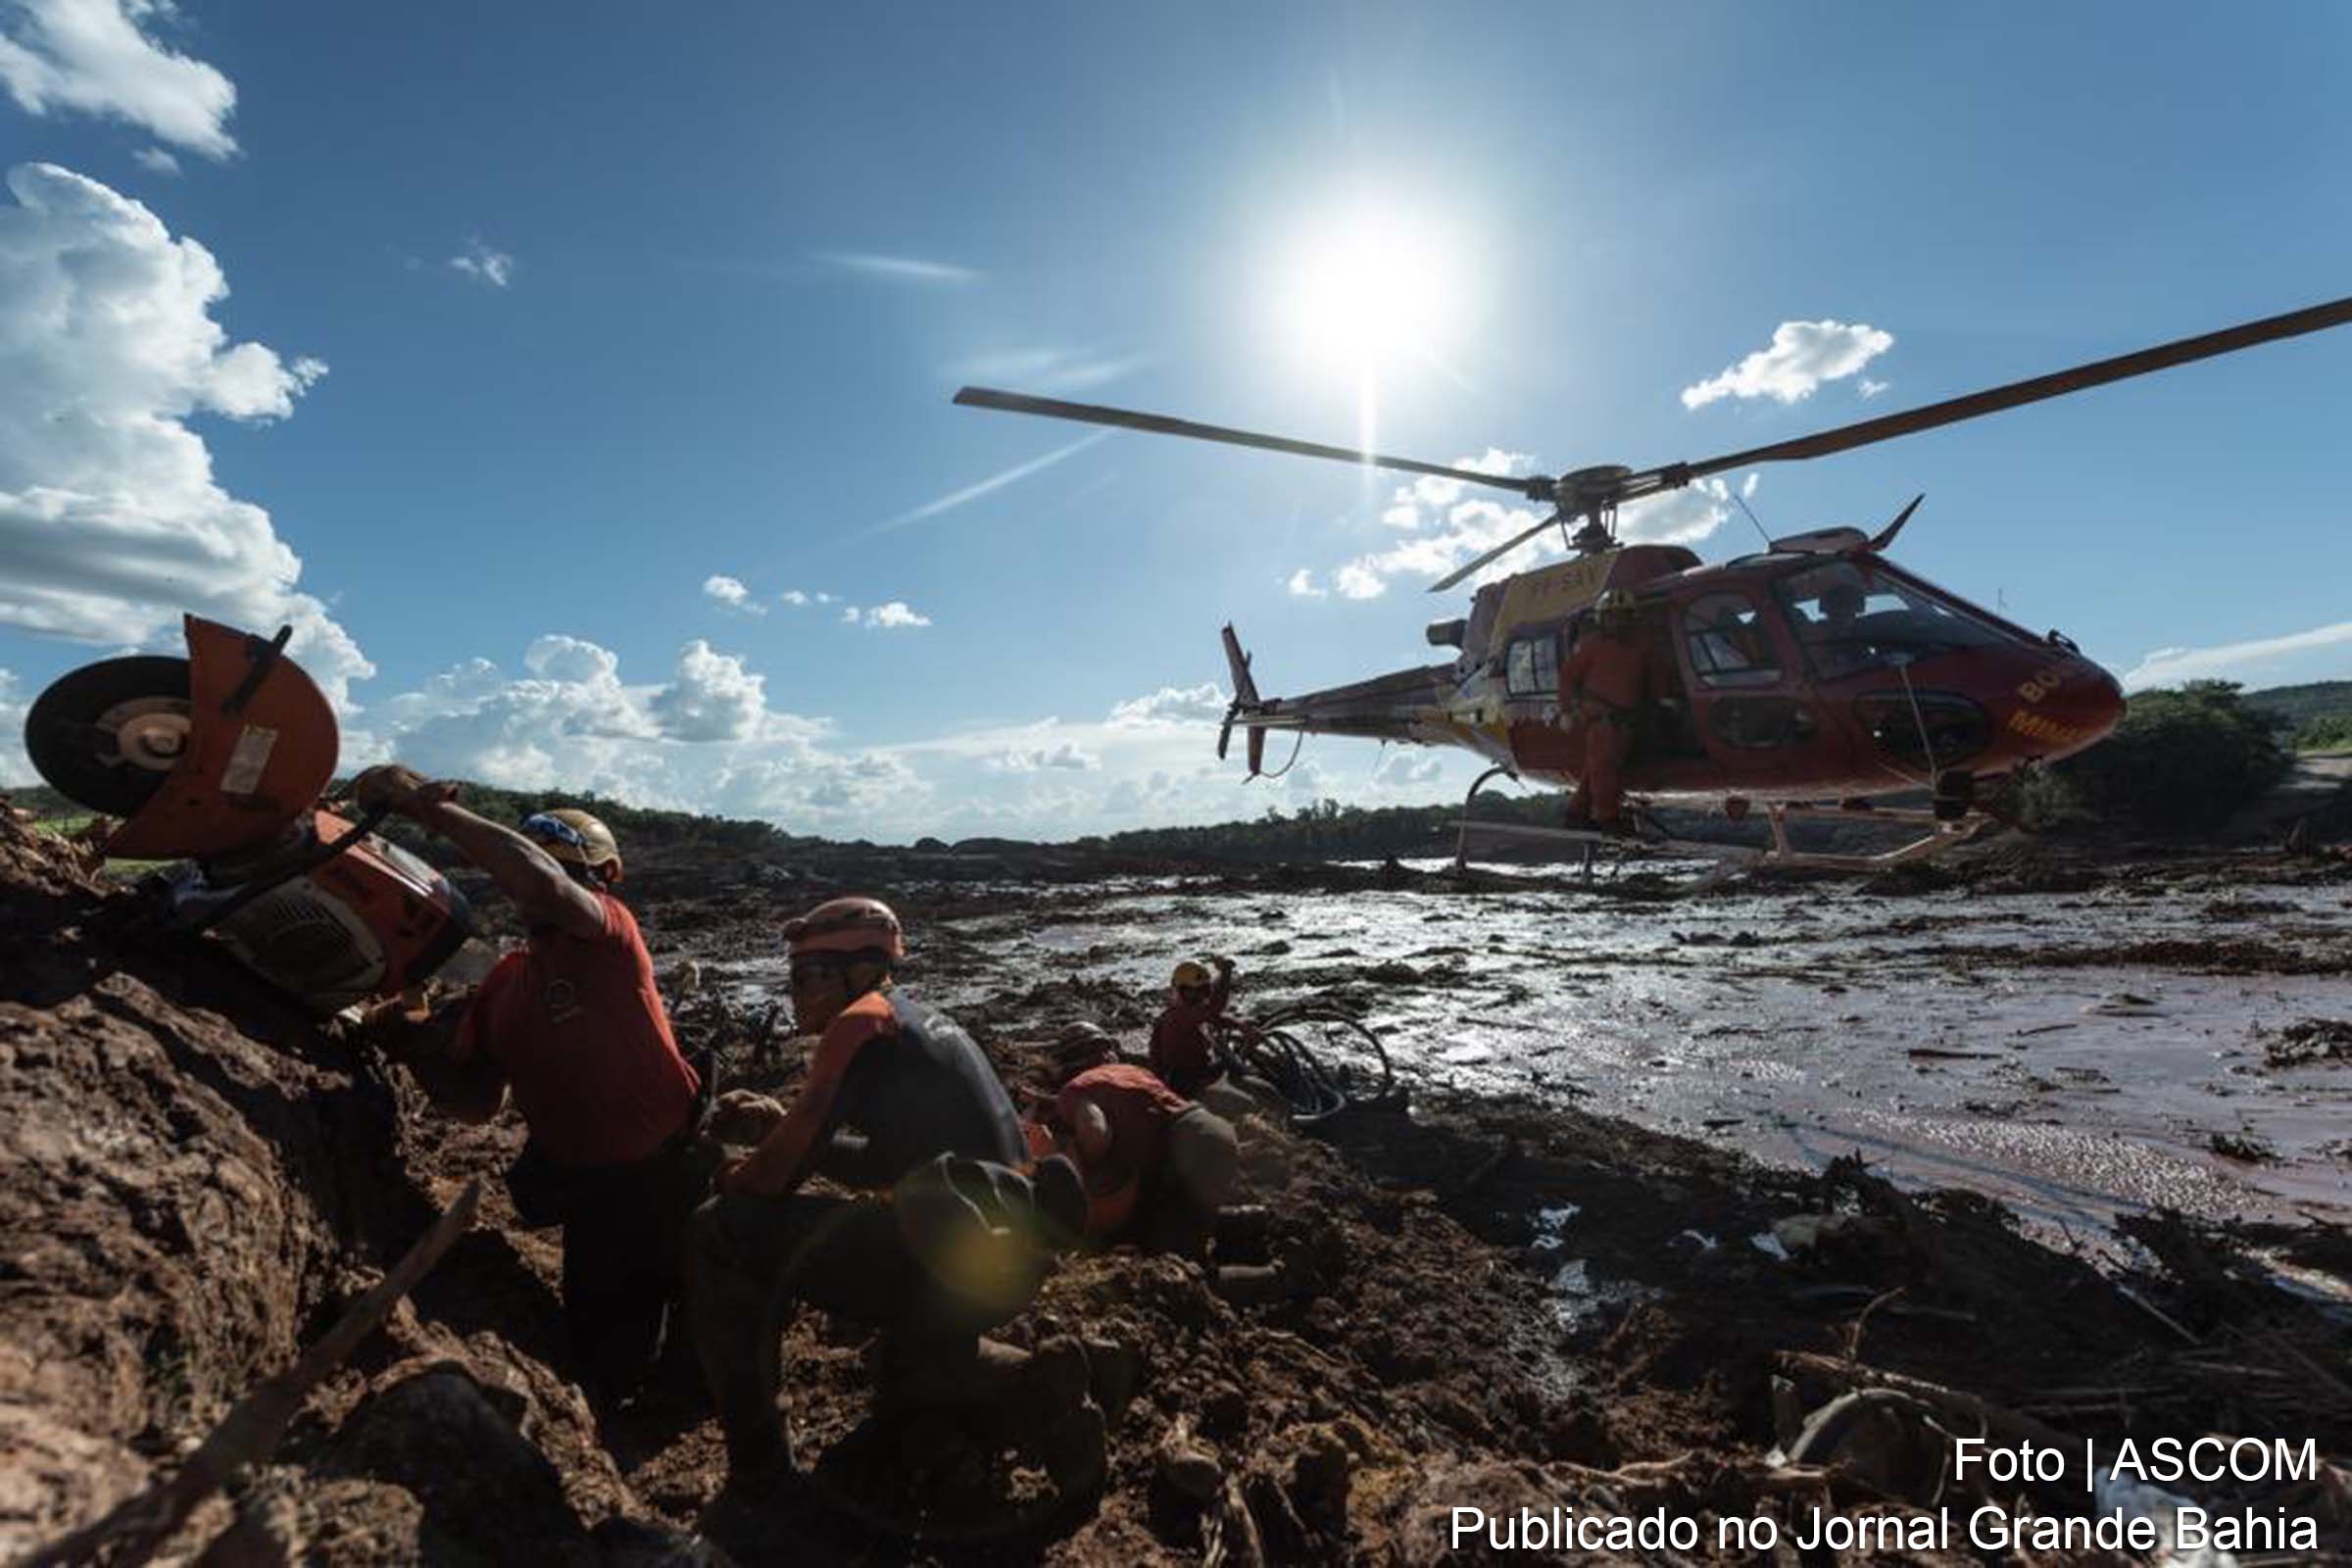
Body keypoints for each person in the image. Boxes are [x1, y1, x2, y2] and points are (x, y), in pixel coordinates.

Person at [685, 896, 1083, 1481]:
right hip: (998, 1254)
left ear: (862, 971)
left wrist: (728, 1171)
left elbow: (772, 1179)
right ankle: (1035, 1388)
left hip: (950, 1259)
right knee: (899, 1368)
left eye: (807, 975)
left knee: (717, 1230)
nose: (795, 990)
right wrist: (780, 1124)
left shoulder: (859, 1024)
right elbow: (882, 1161)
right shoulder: (917, 1021)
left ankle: (760, 1470)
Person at [349, 767, 705, 1410]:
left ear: (606, 879)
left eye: (574, 869)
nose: (550, 884)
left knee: (702, 1360)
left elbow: (536, 879)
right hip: (597, 1196)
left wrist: (429, 811)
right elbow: (475, 1103)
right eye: (548, 866)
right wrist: (408, 1041)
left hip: (675, 1174)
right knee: (607, 1367)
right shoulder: (505, 984)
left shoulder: (611, 937)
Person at [1032, 1061, 1239, 1257]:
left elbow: (1097, 1134)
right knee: (1193, 1228)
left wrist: (1080, 1176)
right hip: (1207, 1128)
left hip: (1188, 1145)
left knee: (1174, 1255)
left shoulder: (1072, 1094)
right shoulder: (1118, 1072)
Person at [1556, 589, 1656, 834]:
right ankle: (1607, 818)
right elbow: (1568, 678)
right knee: (1604, 768)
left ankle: (1576, 813)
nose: (1617, 621)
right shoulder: (1590, 647)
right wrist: (1567, 711)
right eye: (1612, 616)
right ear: (1602, 619)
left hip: (1624, 720)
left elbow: (1652, 679)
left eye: (1623, 616)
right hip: (1602, 718)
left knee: (1595, 768)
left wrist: (1663, 700)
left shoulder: (1639, 649)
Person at [1150, 956, 1233, 1098]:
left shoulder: (1189, 1011)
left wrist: (1241, 1025)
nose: (1200, 996)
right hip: (1184, 1083)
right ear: (1181, 991)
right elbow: (1213, 1010)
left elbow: (1212, 1017)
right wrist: (1226, 972)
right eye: (1193, 991)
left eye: (1204, 990)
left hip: (1199, 1072)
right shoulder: (1177, 1015)